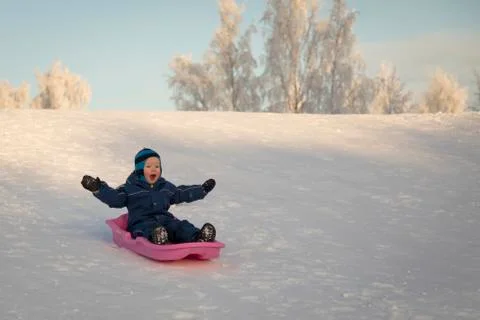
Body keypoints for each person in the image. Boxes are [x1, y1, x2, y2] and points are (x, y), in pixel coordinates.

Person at [80, 147, 217, 245]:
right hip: (140, 221)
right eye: (149, 166)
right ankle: (156, 237)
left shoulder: (165, 187)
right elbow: (115, 198)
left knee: (178, 225)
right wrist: (98, 188)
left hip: (164, 219)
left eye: (157, 166)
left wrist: (201, 190)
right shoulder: (129, 188)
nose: (154, 169)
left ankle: (198, 236)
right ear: (140, 170)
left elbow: (181, 193)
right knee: (147, 228)